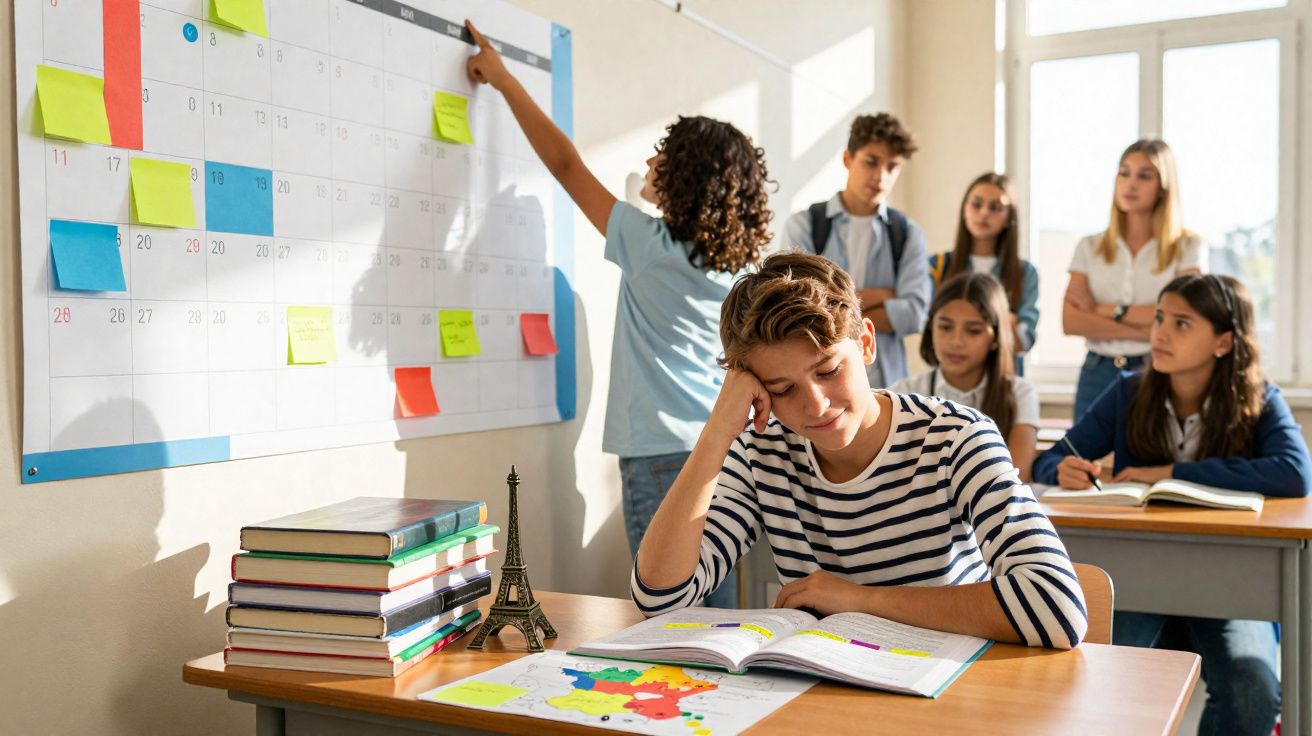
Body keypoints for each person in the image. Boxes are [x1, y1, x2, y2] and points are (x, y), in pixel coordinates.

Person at [467, 21, 776, 608]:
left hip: (657, 459)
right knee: (715, 612)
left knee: (668, 610)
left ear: (686, 179)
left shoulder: (646, 242)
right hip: (722, 451)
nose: (652, 159)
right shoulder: (737, 271)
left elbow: (564, 165)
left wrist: (505, 80)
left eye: (666, 154)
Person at [632, 252, 1087, 649]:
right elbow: (660, 596)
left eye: (828, 370)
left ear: (866, 343)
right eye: (783, 388)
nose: (816, 404)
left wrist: (857, 600)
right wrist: (717, 433)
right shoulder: (761, 452)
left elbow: (1056, 604)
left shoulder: (958, 438)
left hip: (947, 694)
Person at [1034, 274, 1312, 736]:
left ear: (1224, 343)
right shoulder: (1128, 390)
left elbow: (1294, 473)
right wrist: (1059, 469)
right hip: (1136, 581)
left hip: (1230, 582)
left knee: (1255, 692)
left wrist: (1171, 473)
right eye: (1160, 318)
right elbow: (1052, 457)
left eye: (1181, 324)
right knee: (1097, 678)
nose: (1159, 333)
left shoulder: (1261, 400)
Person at [781, 114, 930, 388]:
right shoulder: (804, 225)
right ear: (848, 159)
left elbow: (914, 314)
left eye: (892, 167)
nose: (880, 176)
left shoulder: (906, 233)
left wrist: (835, 305)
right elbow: (800, 308)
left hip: (889, 385)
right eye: (871, 162)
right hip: (818, 381)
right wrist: (884, 297)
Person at [1064, 139, 1205, 419]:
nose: (1131, 184)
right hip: (1097, 371)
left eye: (1144, 176)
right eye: (1124, 172)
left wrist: (1103, 311)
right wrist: (1147, 325)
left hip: (1157, 367)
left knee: (1150, 456)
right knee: (1084, 459)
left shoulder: (1188, 247)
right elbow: (1071, 321)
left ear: (1163, 187)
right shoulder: (1089, 247)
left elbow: (1185, 315)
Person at [891, 272, 1039, 481]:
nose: (956, 341)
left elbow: (1017, 477)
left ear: (996, 338)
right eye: (945, 327)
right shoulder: (902, 394)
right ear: (930, 328)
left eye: (973, 331)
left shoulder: (1020, 394)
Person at [928, 173, 1038, 373]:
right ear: (964, 210)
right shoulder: (938, 266)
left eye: (995, 208)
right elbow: (928, 328)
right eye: (976, 204)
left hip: (1004, 379)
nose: (984, 213)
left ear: (1009, 218)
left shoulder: (1024, 272)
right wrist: (1006, 320)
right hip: (949, 379)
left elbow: (1024, 340)